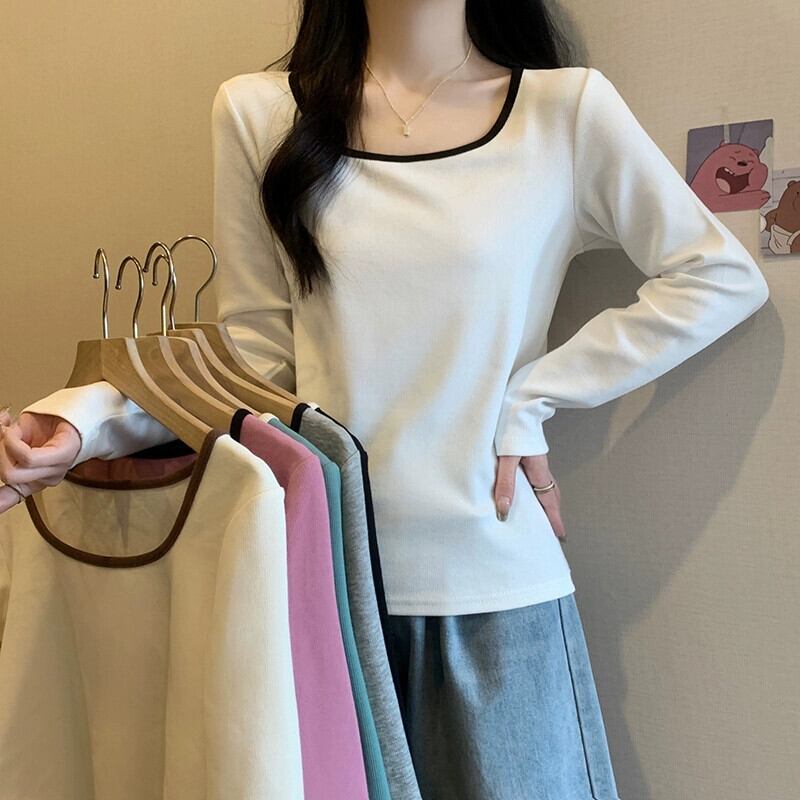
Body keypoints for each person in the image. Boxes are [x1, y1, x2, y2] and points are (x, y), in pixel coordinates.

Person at [0, 1, 770, 798]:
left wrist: (533, 399)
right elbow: (252, 365)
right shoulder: (259, 116)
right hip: (318, 591)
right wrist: (84, 422)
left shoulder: (564, 111)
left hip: (494, 585)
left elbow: (716, 278)